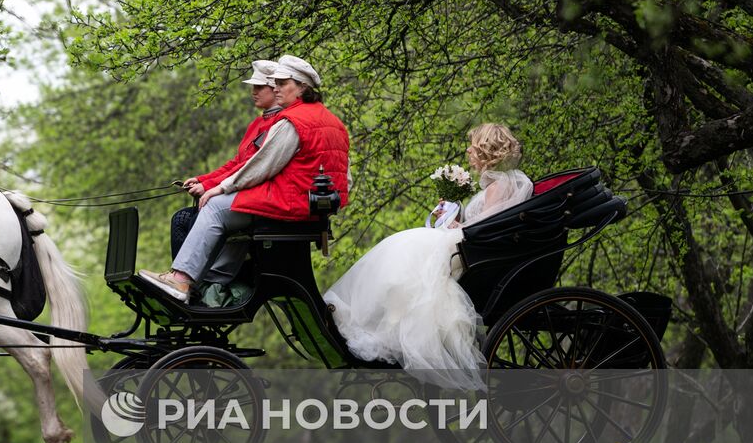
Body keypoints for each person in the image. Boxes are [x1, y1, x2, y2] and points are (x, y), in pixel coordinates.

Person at [323, 123, 533, 391]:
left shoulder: (500, 186)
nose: (468, 151)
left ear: (486, 150)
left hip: (476, 251)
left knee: (408, 246)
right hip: (471, 246)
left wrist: (459, 227)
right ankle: (389, 324)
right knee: (407, 246)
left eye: (473, 145)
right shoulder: (499, 184)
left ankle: (385, 326)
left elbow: (486, 229)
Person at [140, 54, 351, 300]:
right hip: (311, 207)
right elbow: (345, 179)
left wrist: (219, 188)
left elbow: (261, 166)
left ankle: (181, 280)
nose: (277, 88)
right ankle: (210, 281)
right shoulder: (333, 121)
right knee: (227, 208)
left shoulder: (293, 121)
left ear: (302, 87)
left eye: (283, 84)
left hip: (291, 204)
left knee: (217, 207)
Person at [181, 59, 283, 199]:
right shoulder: (257, 122)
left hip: (256, 194)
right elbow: (237, 162)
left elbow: (247, 166)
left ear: (275, 88)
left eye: (259, 87)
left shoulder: (279, 124)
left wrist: (208, 185)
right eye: (253, 87)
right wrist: (202, 179)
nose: (253, 92)